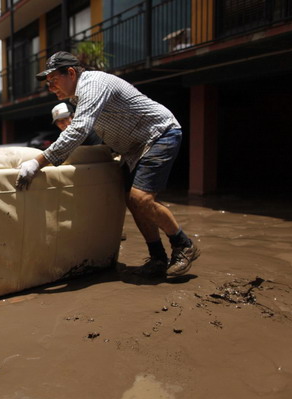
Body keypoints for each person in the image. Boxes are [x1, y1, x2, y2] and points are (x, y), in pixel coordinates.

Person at [16, 51, 200, 277]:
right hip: (134, 147)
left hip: (159, 133)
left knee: (141, 198)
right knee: (132, 202)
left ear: (71, 73)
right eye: (48, 83)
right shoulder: (78, 96)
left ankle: (184, 245)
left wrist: (38, 162)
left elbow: (80, 129)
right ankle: (158, 258)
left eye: (53, 80)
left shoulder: (92, 84)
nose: (50, 87)